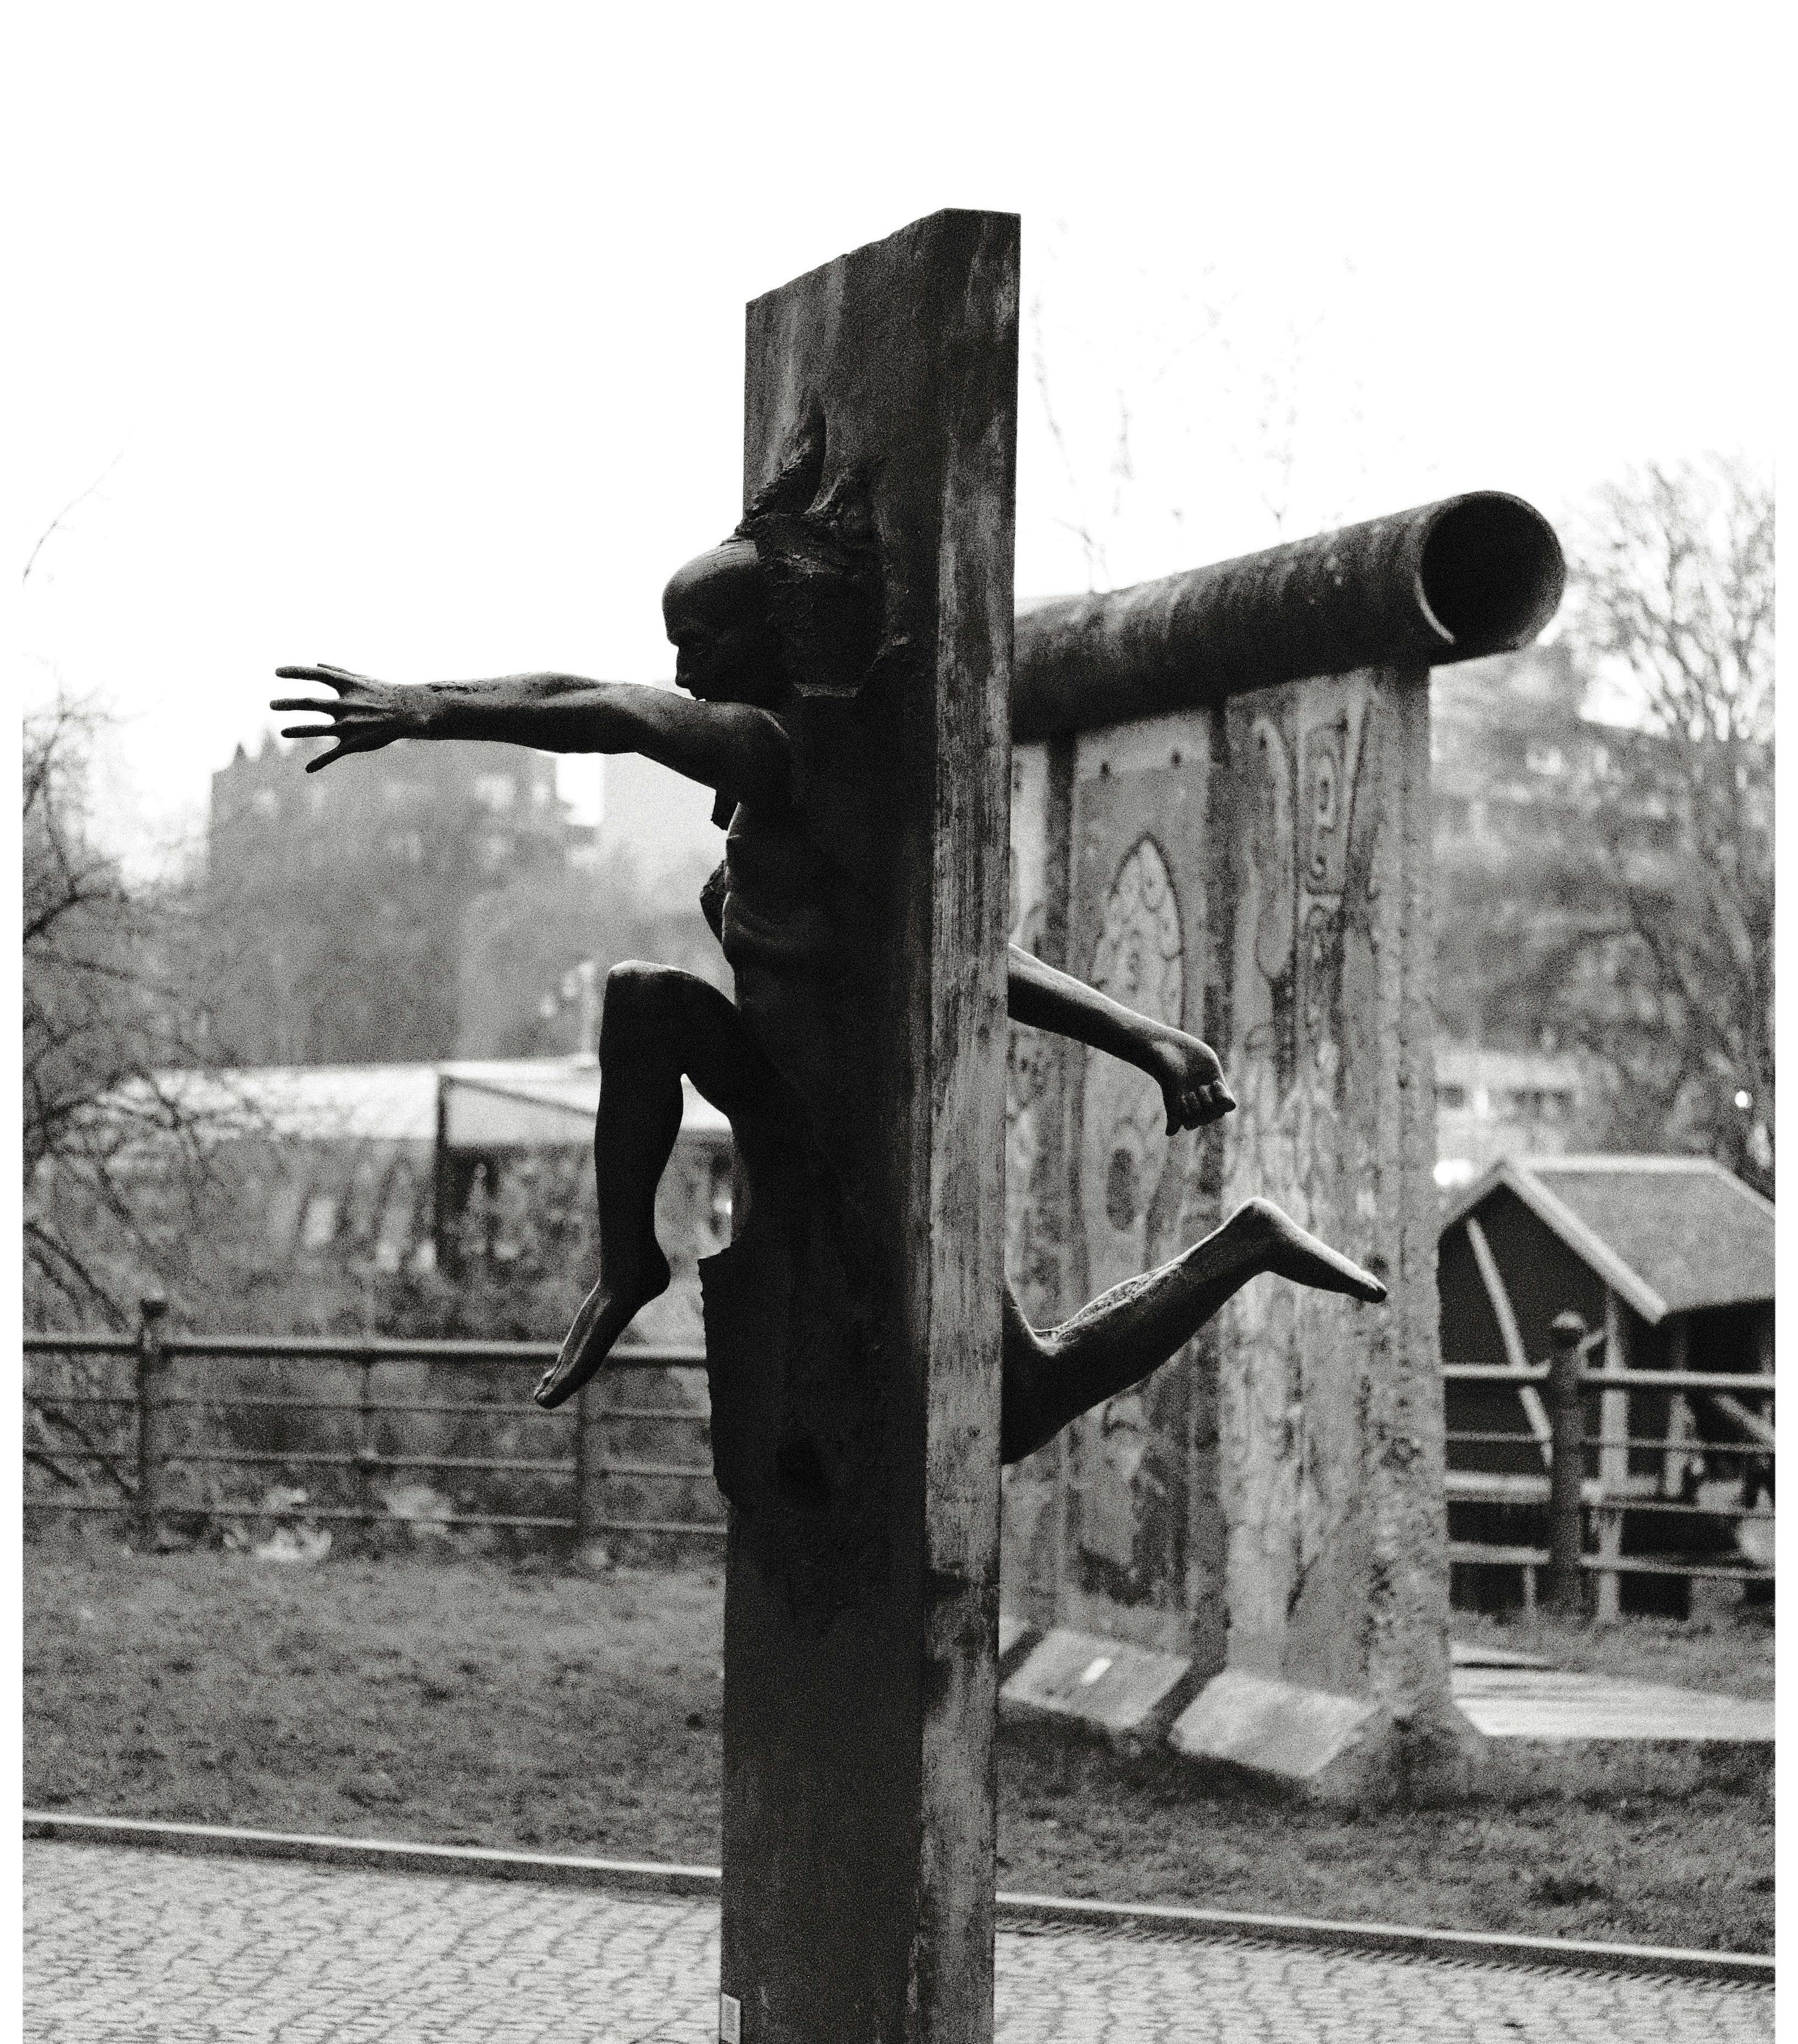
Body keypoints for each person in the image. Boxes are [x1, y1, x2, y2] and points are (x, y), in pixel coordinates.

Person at [274, 519, 1382, 1461]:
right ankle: (629, 1268)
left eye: (705, 642)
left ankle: (1244, 1242)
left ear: (777, 639)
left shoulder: (784, 753)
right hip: (780, 1102)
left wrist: (432, 706)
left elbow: (608, 710)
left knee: (1015, 1403)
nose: (687, 667)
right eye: (677, 644)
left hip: (868, 1132)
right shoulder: (755, 806)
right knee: (642, 995)